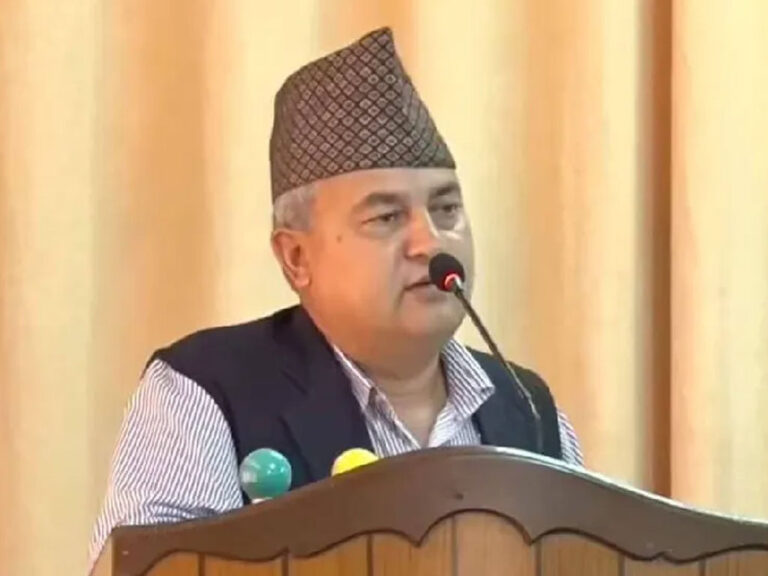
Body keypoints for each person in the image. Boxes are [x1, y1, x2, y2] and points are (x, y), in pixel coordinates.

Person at [88, 27, 583, 565]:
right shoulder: (207, 390)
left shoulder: (527, 408)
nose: (430, 242)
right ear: (297, 258)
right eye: (386, 217)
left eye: (446, 210)